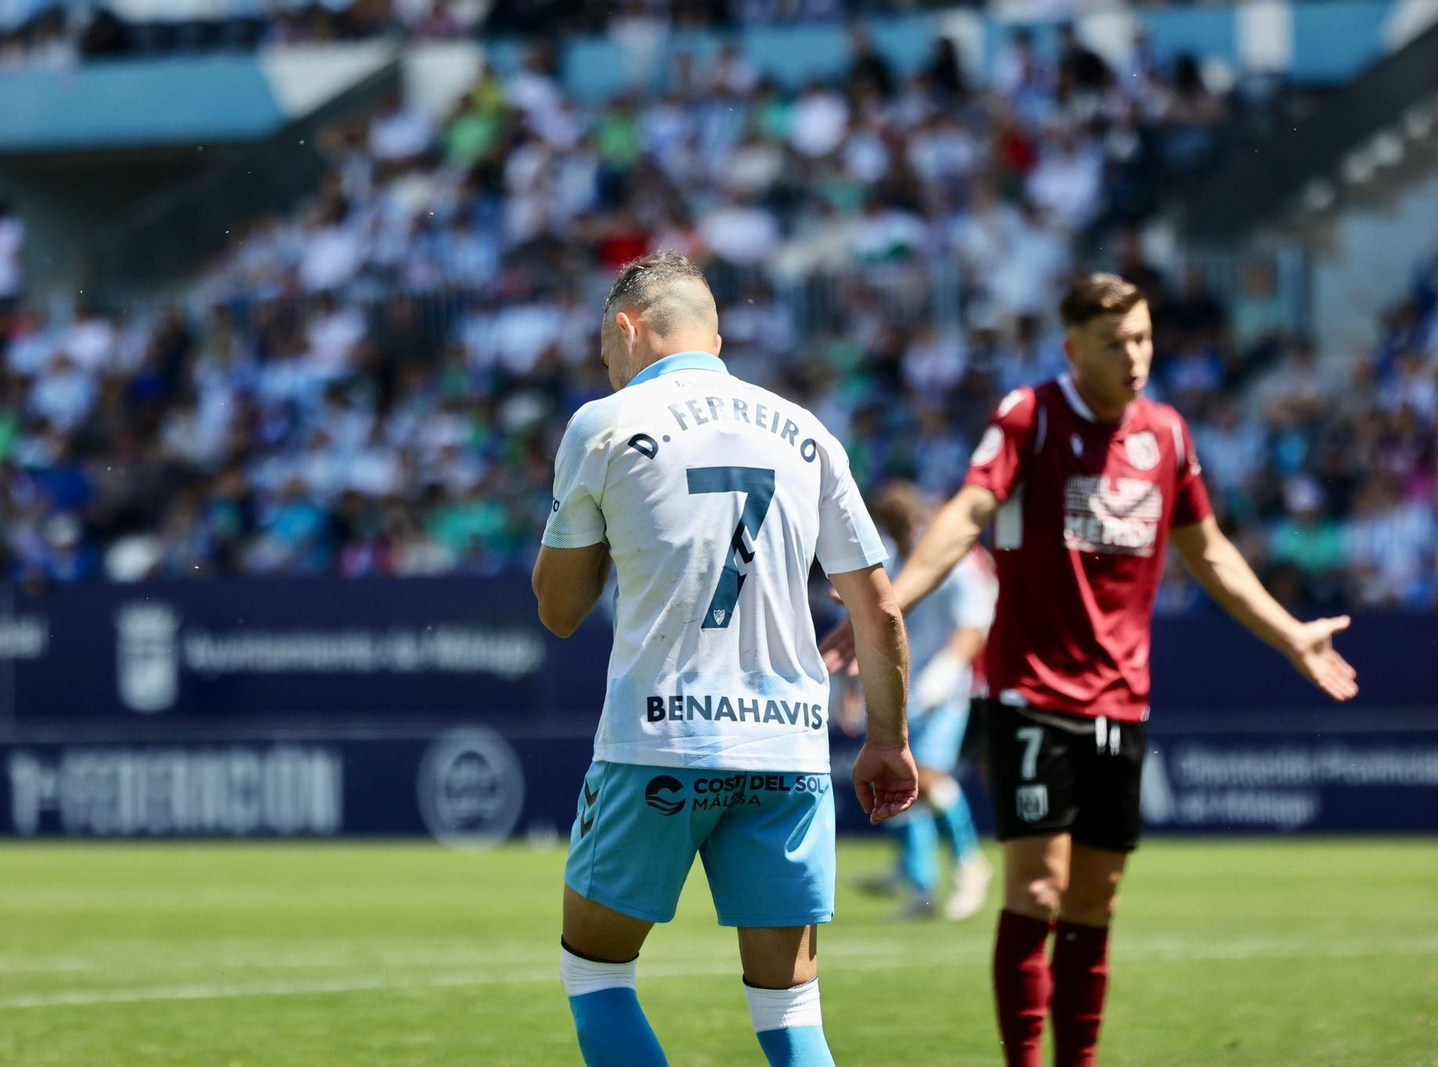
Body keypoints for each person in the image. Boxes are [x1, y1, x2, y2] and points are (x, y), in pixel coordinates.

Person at [821, 273, 1358, 1066]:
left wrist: (1290, 635)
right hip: (1031, 692)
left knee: (1094, 900)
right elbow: (968, 514)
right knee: (1037, 889)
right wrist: (884, 604)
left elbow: (1207, 551)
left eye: (1142, 338)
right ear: (1074, 350)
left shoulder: (1167, 435)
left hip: (1122, 699)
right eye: (1115, 343)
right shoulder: (1030, 417)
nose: (1134, 355)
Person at [534, 250, 918, 1067]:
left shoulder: (601, 425)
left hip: (657, 747)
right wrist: (887, 740)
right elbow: (877, 605)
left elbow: (560, 610)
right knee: (790, 1011)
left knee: (595, 970)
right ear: (717, 332)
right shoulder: (808, 432)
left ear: (628, 328)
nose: (609, 365)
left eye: (608, 348)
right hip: (786, 749)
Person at [841, 481, 995, 922]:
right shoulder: (893, 560)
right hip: (902, 686)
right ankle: (919, 884)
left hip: (946, 689)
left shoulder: (957, 562)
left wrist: (942, 676)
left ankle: (969, 862)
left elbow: (972, 628)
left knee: (926, 777)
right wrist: (859, 687)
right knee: (898, 781)